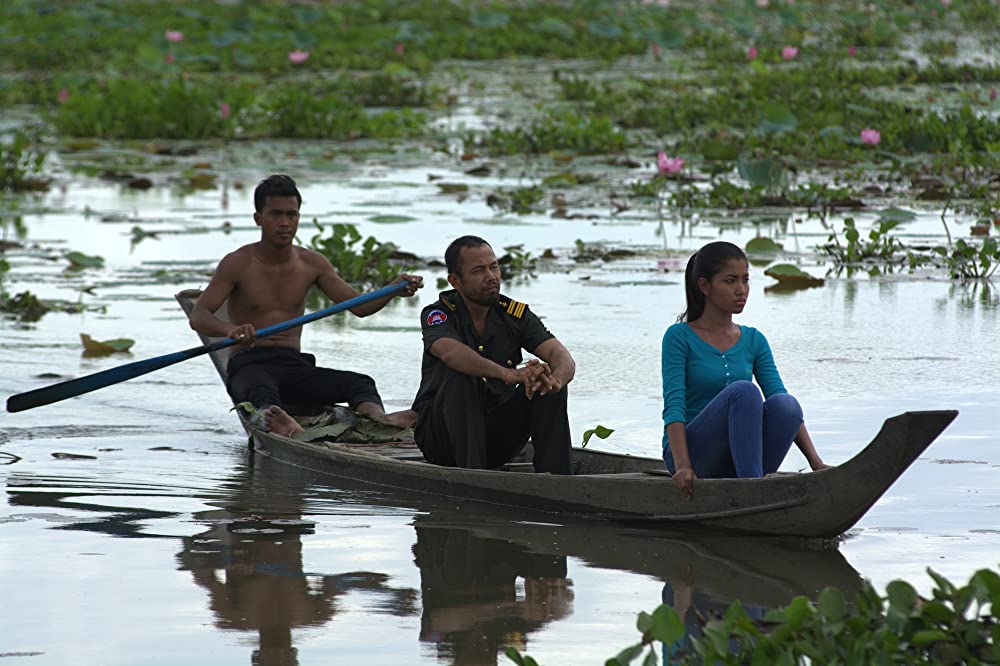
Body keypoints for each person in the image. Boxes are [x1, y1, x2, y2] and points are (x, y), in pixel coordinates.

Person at [189, 174, 422, 437]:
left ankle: (379, 422)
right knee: (261, 393)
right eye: (275, 214)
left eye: (292, 215)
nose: (285, 223)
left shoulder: (313, 263)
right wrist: (230, 330)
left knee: (360, 384)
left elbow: (360, 307)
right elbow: (200, 316)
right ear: (258, 218)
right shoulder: (238, 262)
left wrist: (392, 289)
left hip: (294, 366)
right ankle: (278, 421)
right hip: (250, 364)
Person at [661, 241, 827, 498]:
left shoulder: (753, 339)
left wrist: (816, 463)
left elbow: (780, 401)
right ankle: (753, 490)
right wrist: (682, 466)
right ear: (705, 286)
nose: (742, 290)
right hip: (693, 458)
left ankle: (751, 483)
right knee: (745, 392)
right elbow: (674, 405)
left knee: (786, 404)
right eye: (730, 281)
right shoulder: (679, 337)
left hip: (740, 455)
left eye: (745, 280)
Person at [411, 236, 575, 474]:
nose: (491, 276)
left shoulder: (514, 314)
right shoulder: (439, 314)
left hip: (496, 440)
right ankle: (475, 479)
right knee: (463, 376)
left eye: (494, 267)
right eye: (478, 270)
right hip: (442, 440)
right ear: (456, 281)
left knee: (546, 383)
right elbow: (450, 353)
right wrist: (508, 374)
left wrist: (555, 379)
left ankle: (559, 481)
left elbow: (561, 356)